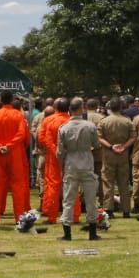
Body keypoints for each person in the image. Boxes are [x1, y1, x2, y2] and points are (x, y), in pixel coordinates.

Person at [56, 97, 100, 240]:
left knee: (68, 199)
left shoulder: (63, 128)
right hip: (87, 161)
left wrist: (62, 163)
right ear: (81, 109)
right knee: (91, 199)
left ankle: (67, 233)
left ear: (70, 110)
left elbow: (60, 151)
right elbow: (97, 144)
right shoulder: (90, 126)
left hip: (71, 163)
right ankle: (92, 232)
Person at [0, 90, 31, 225]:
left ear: (0, 100)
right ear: (11, 100)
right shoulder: (18, 115)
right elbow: (22, 134)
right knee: (18, 185)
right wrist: (9, 146)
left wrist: (0, 146)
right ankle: (20, 217)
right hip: (15, 153)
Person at [98, 97, 135, 216]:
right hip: (123, 154)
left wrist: (110, 147)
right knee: (123, 182)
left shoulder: (104, 121)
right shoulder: (128, 121)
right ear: (121, 108)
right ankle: (126, 210)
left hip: (109, 155)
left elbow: (99, 138)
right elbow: (133, 137)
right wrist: (124, 146)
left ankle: (109, 209)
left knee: (108, 182)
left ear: (109, 108)